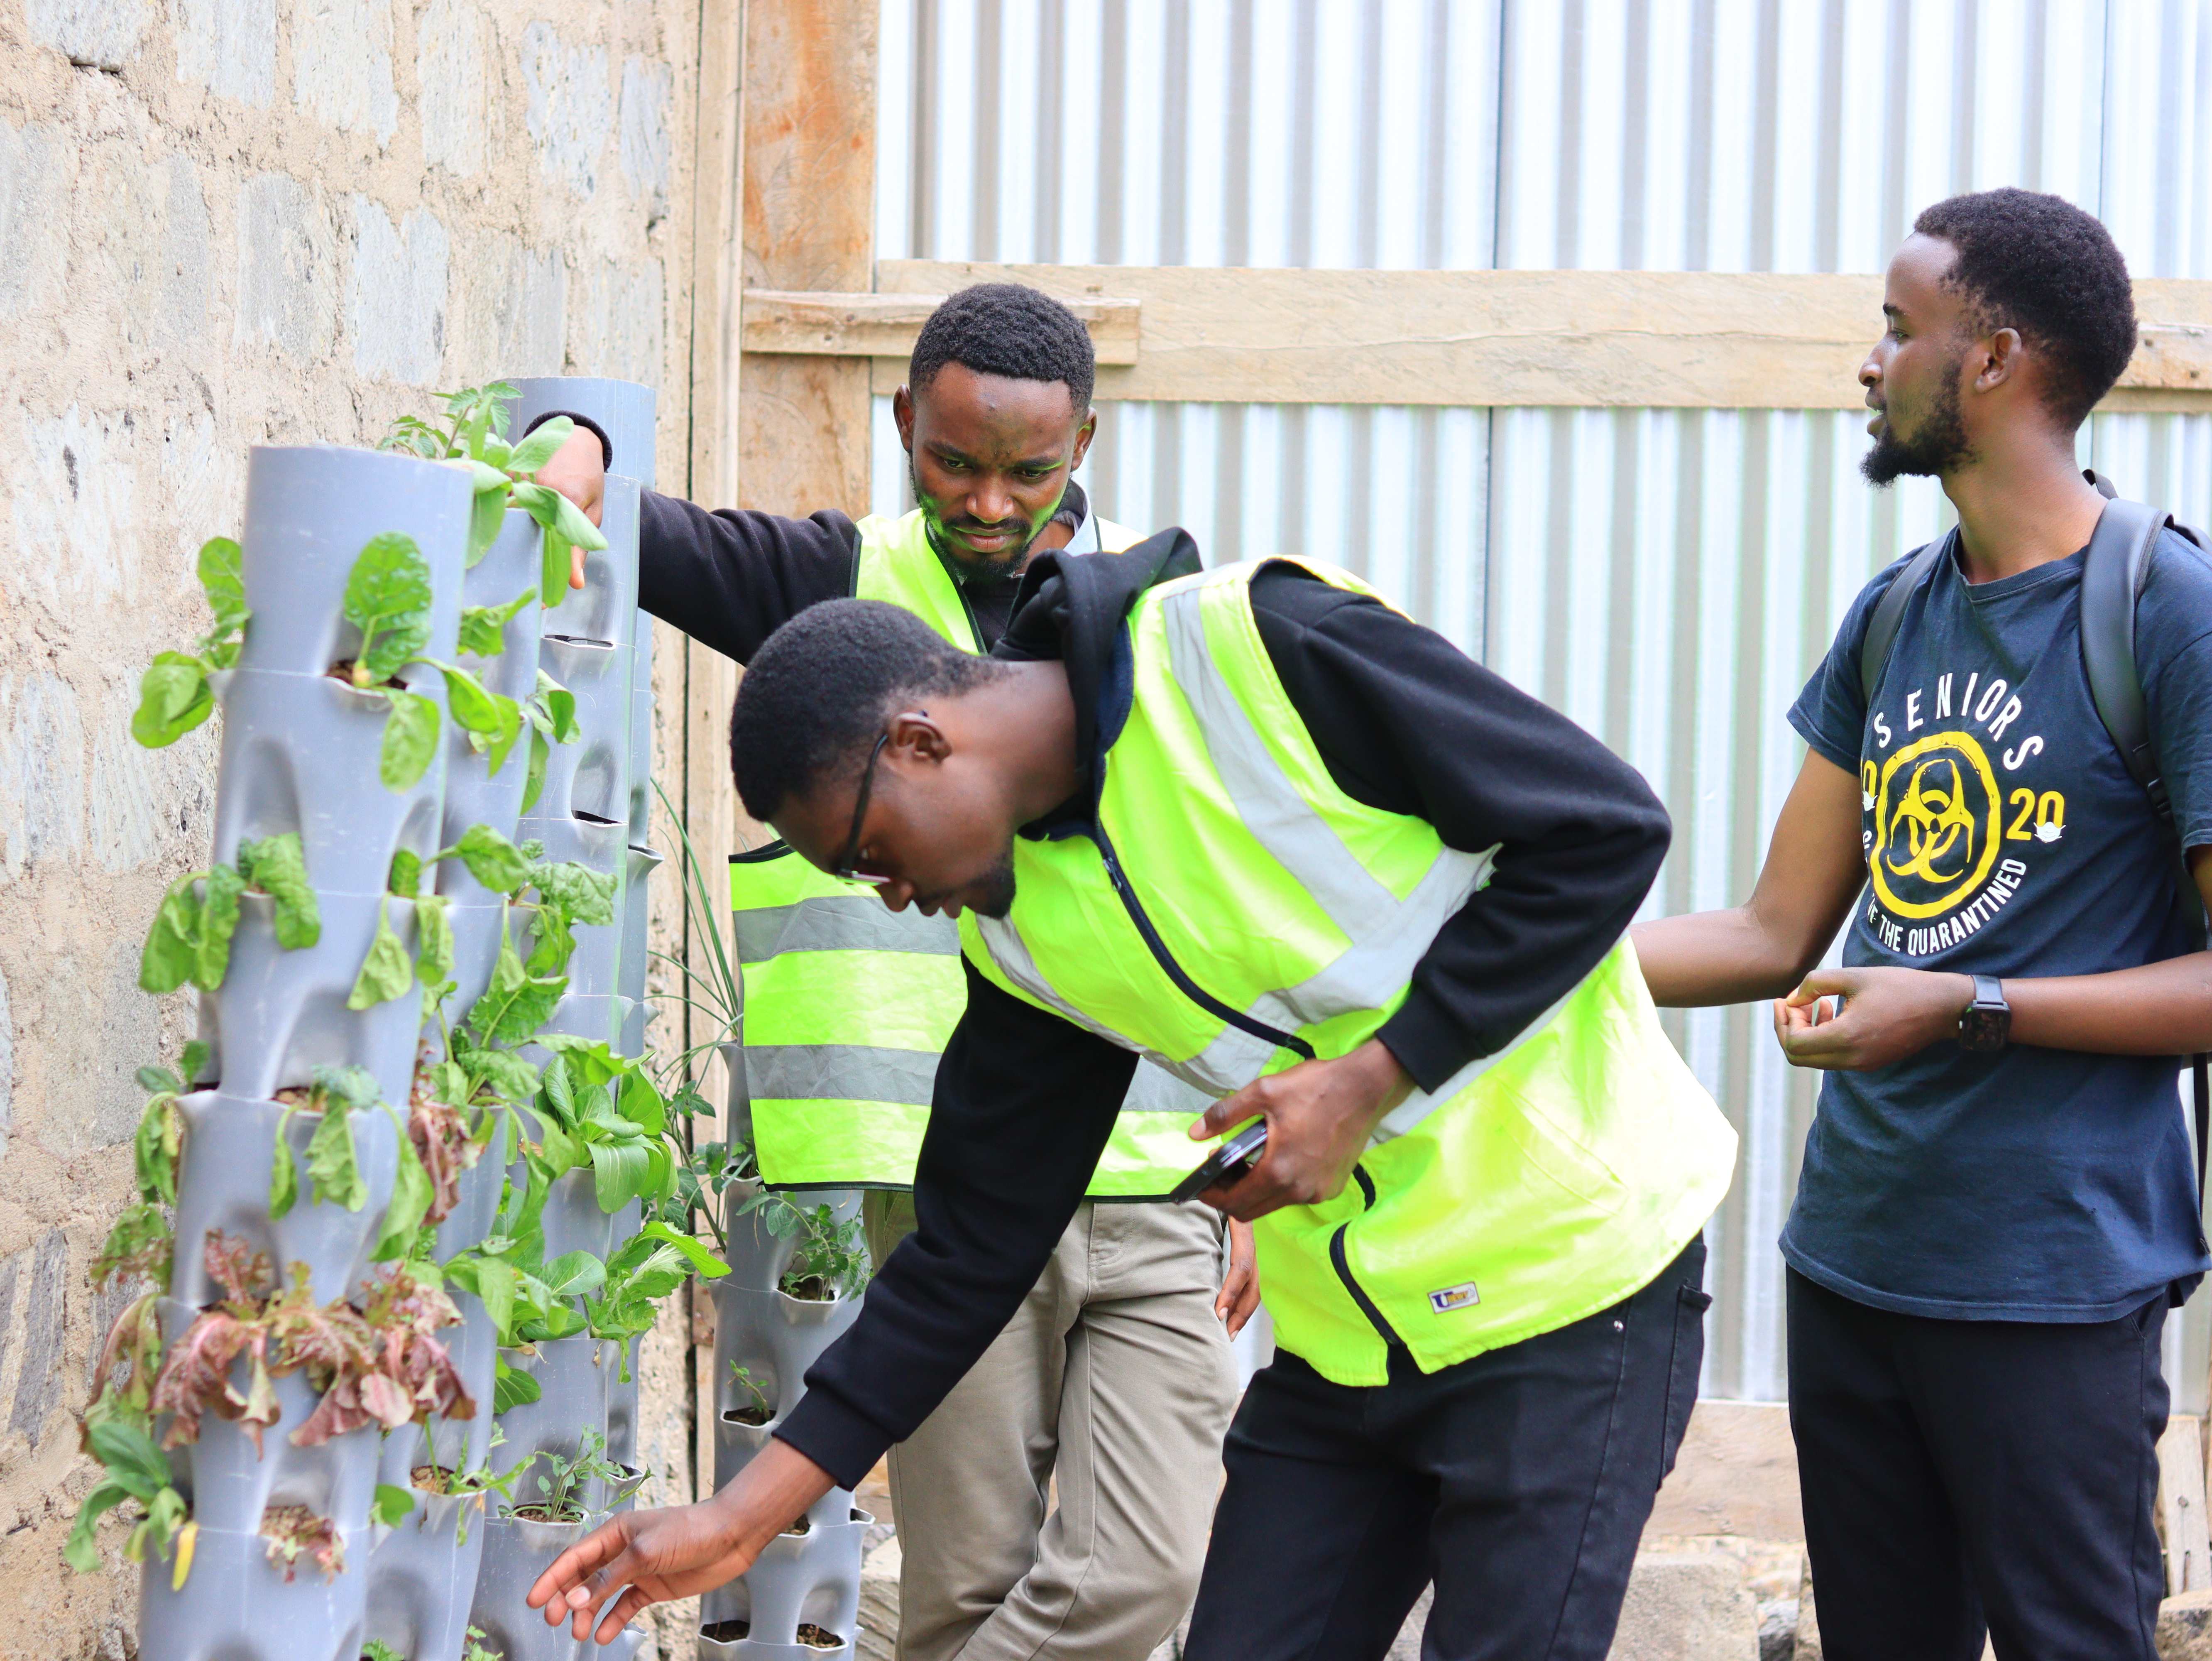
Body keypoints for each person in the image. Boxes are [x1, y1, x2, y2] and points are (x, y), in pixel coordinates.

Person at [527, 536, 1740, 1659]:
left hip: (1574, 1287)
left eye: (870, 853)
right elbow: (970, 1247)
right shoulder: (1024, 937)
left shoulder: (1258, 655)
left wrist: (1375, 1080)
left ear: (919, 741)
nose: (889, 894)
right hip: (1353, 1344)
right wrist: (748, 1513)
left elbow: (1600, 827)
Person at [535, 283, 1259, 1661]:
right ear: (902, 426)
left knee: (1144, 1580)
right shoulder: (837, 589)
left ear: (1089, 443)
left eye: (1031, 471)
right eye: (954, 462)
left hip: (1163, 1173)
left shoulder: (1158, 624)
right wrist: (572, 438)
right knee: (967, 1587)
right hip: (943, 1191)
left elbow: (1238, 905)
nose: (991, 502)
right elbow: (637, 522)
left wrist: (1274, 1176)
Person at [1632, 188, 2212, 1660]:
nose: (1868, 364)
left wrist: (1969, 1003)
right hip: (1854, 1260)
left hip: (2051, 1285)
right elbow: (1772, 929)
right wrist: (1507, 972)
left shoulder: (2167, 610)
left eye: (1898, 330)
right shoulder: (1897, 614)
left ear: (1998, 358)